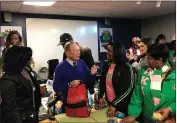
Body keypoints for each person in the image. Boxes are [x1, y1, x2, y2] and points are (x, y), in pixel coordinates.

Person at [121, 44, 176, 123]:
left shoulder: (174, 75)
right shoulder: (144, 71)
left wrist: (171, 109)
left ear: (159, 60)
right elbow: (137, 96)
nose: (146, 61)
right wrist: (132, 115)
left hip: (169, 120)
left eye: (149, 58)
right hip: (147, 119)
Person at [0, 46, 41, 123]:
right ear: (19, 60)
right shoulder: (7, 79)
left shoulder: (25, 70)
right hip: (20, 119)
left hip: (32, 116)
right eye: (28, 58)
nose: (31, 59)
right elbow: (10, 109)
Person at [53, 42, 97, 112]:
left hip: (83, 104)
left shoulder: (82, 63)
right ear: (68, 53)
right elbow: (56, 87)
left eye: (79, 50)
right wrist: (69, 84)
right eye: (76, 50)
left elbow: (89, 82)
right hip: (69, 107)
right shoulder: (60, 67)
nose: (78, 53)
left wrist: (92, 73)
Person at [98, 42, 134, 117]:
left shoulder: (126, 67)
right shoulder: (106, 65)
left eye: (110, 51)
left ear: (117, 52)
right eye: (107, 50)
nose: (107, 52)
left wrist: (114, 104)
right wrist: (100, 96)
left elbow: (128, 89)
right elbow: (102, 82)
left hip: (122, 106)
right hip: (110, 104)